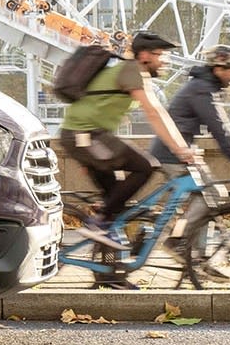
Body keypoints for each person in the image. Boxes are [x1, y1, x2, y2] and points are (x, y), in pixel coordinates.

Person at [58, 29, 197, 251]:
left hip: (89, 137)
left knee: (116, 209)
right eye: (160, 55)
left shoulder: (126, 70)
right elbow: (155, 112)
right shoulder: (132, 69)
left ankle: (110, 275)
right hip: (84, 135)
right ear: (144, 56)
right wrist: (181, 149)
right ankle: (99, 222)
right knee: (146, 166)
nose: (164, 61)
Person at [150, 44, 230, 179]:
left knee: (209, 191)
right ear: (218, 69)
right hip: (171, 155)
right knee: (201, 198)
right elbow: (220, 129)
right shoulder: (202, 90)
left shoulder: (203, 87)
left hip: (179, 152)